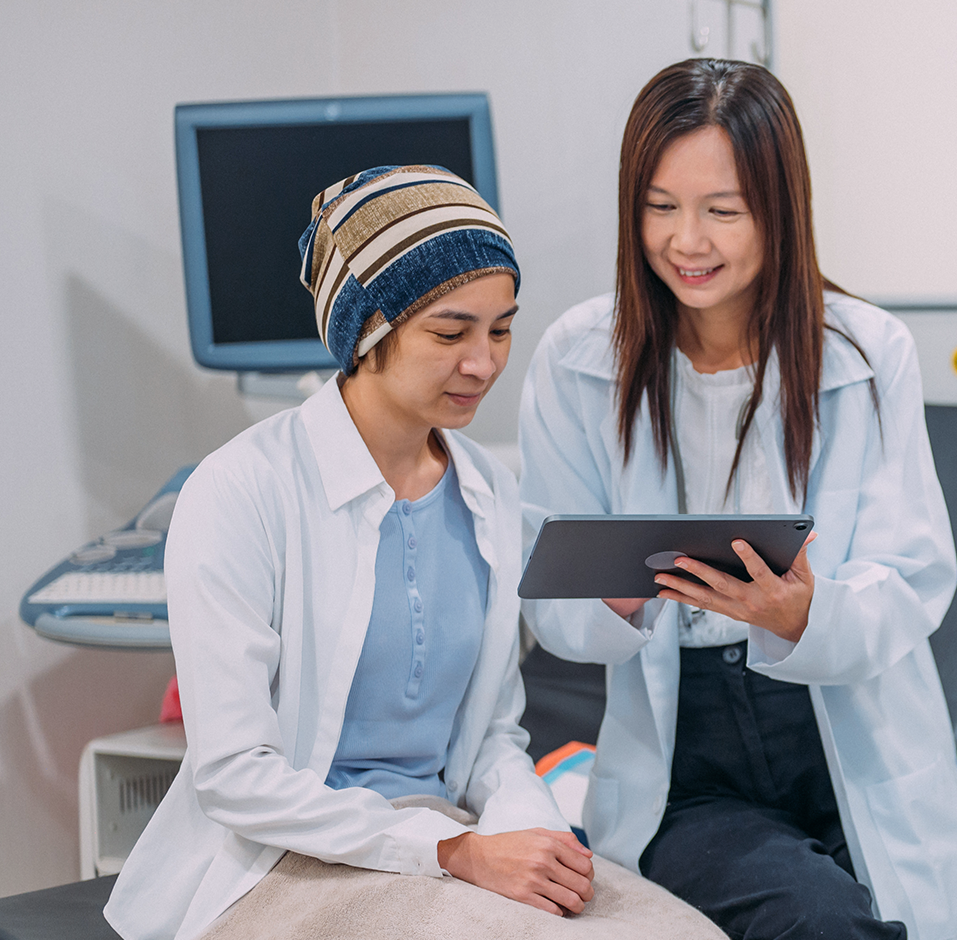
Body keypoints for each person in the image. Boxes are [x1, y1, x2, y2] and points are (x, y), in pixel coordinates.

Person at [518, 60, 957, 940]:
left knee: (896, 915)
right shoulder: (579, 359)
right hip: (689, 758)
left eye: (721, 211)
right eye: (660, 207)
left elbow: (914, 578)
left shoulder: (865, 353)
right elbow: (553, 601)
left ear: (781, 208)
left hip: (843, 719)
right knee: (824, 924)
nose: (686, 241)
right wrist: (616, 594)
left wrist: (805, 613)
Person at [106, 166, 594, 940]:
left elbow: (493, 736)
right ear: (367, 330)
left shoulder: (490, 494)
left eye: (500, 330)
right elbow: (235, 778)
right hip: (284, 856)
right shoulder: (241, 492)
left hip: (444, 837)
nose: (485, 362)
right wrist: (454, 851)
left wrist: (533, 836)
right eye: (450, 332)